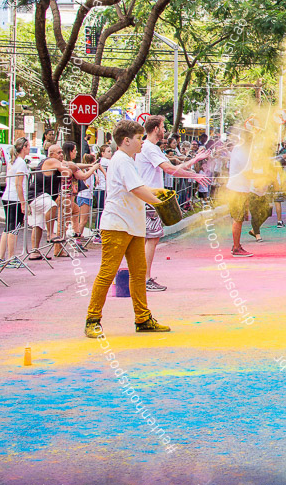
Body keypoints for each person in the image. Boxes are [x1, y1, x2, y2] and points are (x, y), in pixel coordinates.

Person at [84, 119, 169, 338]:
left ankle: (143, 318)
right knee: (108, 272)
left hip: (131, 225)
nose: (142, 143)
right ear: (126, 140)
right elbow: (136, 189)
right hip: (118, 225)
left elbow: (137, 187)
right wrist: (159, 203)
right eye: (139, 139)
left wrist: (155, 192)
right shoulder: (122, 160)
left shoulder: (127, 160)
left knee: (139, 273)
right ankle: (92, 319)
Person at [136, 115, 211, 290]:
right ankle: (144, 279)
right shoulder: (150, 148)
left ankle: (141, 277)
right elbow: (170, 170)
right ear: (155, 129)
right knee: (151, 238)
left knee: (147, 238)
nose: (165, 131)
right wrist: (195, 176)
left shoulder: (149, 148)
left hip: (148, 198)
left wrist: (194, 161)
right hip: (150, 199)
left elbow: (172, 167)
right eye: (163, 127)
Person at [0, 138, 30, 268]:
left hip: (8, 196)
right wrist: (23, 202)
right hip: (14, 198)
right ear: (24, 147)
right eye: (28, 147)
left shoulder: (15, 161)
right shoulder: (21, 163)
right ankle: (11, 257)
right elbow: (19, 184)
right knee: (14, 228)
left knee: (8, 227)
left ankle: (1, 257)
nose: (29, 149)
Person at [225, 129, 255, 257]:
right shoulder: (242, 152)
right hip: (238, 190)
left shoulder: (240, 149)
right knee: (238, 219)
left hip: (240, 188)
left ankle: (236, 246)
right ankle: (236, 248)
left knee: (239, 219)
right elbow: (248, 172)